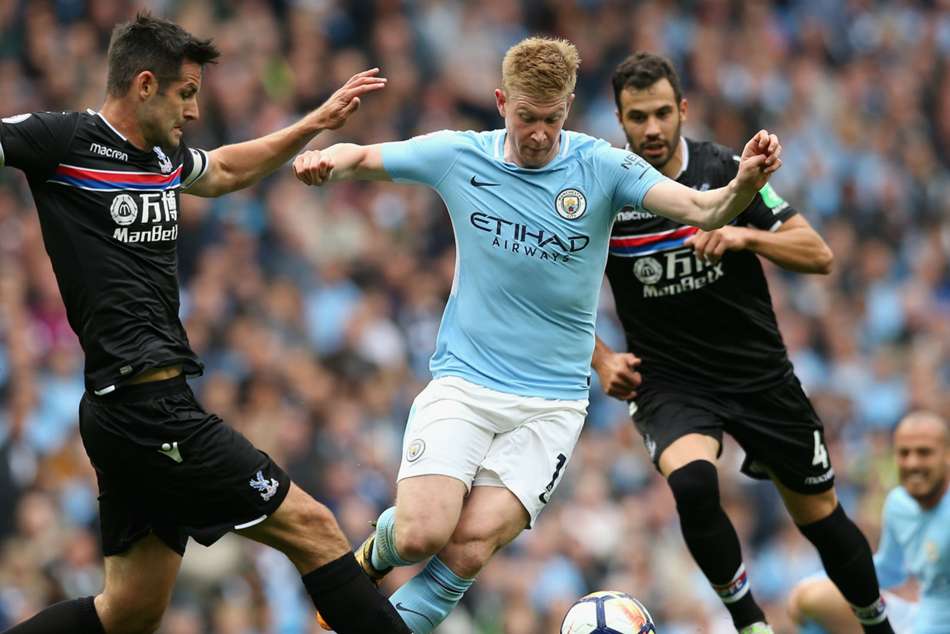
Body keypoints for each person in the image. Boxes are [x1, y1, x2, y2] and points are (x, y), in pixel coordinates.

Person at [293, 36, 783, 633]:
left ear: (568, 108)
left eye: (552, 119)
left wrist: (743, 184)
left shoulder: (603, 166)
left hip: (551, 405)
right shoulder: (460, 156)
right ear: (502, 102)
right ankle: (371, 559)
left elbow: (703, 210)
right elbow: (368, 156)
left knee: (469, 548)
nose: (539, 134)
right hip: (465, 382)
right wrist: (327, 159)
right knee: (423, 534)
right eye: (527, 117)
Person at [0, 13, 410, 634]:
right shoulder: (63, 140)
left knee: (130, 610)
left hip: (131, 408)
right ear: (144, 85)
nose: (194, 111)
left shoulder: (161, 157)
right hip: (146, 409)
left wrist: (313, 124)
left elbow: (223, 170)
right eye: (185, 93)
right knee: (315, 527)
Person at [592, 52, 893, 634]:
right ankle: (751, 623)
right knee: (692, 484)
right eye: (637, 117)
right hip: (671, 379)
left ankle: (879, 627)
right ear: (619, 119)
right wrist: (601, 358)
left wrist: (744, 237)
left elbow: (819, 254)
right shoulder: (604, 192)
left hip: (757, 373)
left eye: (661, 113)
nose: (651, 128)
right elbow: (549, 292)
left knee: (820, 517)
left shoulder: (726, 169)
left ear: (683, 110)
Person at [788, 411, 950, 634]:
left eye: (924, 453)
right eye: (904, 453)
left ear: (947, 455)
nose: (913, 463)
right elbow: (889, 570)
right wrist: (809, 583)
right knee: (812, 598)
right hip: (917, 619)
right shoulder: (898, 504)